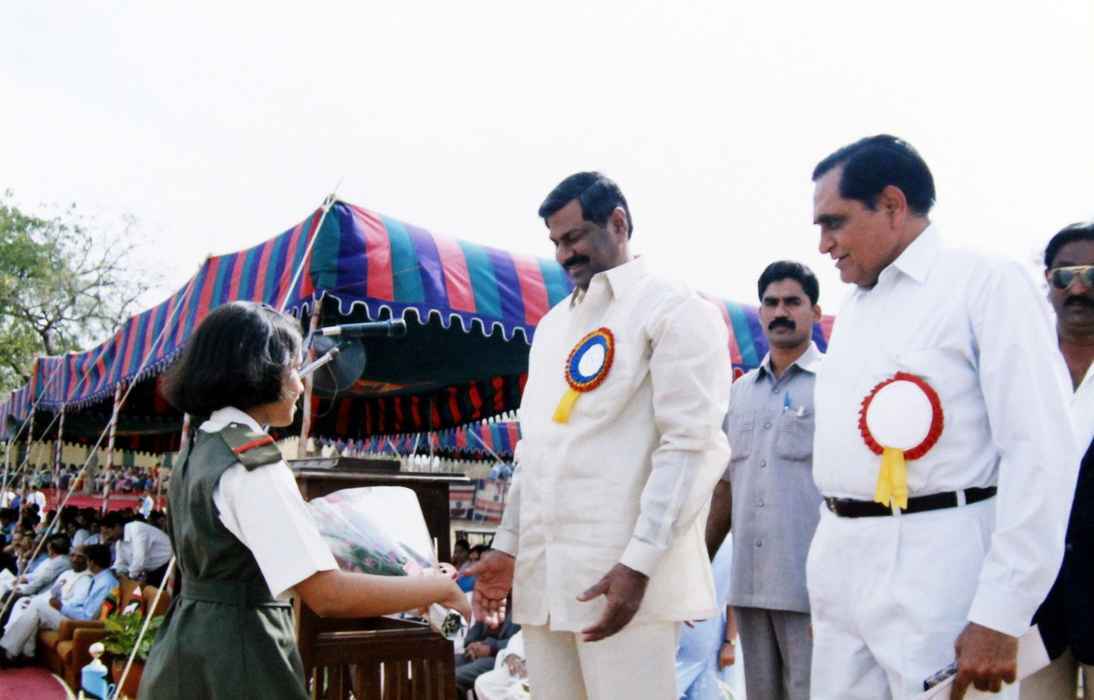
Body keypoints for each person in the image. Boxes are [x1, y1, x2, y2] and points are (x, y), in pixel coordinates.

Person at [806, 135, 1079, 699]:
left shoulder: (986, 283)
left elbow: (1040, 452)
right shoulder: (855, 309)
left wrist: (1001, 612)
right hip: (842, 567)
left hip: (940, 569)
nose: (824, 244)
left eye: (835, 222)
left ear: (892, 204)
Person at [469, 173, 731, 699]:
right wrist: (506, 548)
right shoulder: (552, 328)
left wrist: (640, 564)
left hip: (621, 581)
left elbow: (689, 448)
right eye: (555, 242)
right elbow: (534, 453)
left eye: (574, 237)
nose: (564, 255)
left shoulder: (675, 308)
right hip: (544, 581)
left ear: (618, 223)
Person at [139, 301, 469, 700]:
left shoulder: (202, 446)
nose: (300, 385)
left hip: (187, 647)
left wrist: (409, 581)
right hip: (242, 656)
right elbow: (327, 595)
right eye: (293, 369)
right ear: (258, 373)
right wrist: (436, 589)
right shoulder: (254, 461)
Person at [705, 260, 823, 699]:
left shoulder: (834, 385)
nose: (780, 312)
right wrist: (700, 565)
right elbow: (725, 488)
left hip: (810, 588)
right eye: (771, 303)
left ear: (815, 311)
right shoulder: (739, 393)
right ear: (760, 313)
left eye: (793, 302)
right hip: (749, 587)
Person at [1023, 222, 1094, 699]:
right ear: (1047, 282)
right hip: (1031, 605)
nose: (1079, 289)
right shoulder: (1020, 363)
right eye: (1065, 275)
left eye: (1092, 275)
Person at [675, 535, 744, 700]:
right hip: (677, 637)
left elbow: (734, 596)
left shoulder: (731, 543)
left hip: (711, 642)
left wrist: (730, 642)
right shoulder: (683, 536)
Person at [0, 544, 92, 663]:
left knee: (35, 606)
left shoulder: (86, 579)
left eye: (80, 557)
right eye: (73, 555)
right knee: (23, 602)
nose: (75, 559)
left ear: (87, 559)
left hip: (64, 615)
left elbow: (74, 604)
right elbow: (50, 593)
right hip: (51, 606)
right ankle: (26, 652)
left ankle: (9, 652)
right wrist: (33, 599)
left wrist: (47, 603)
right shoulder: (66, 573)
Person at [455, 600, 521, 698]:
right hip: (471, 650)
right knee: (444, 668)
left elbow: (521, 639)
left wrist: (490, 647)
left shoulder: (521, 604)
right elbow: (476, 627)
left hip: (500, 655)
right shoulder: (490, 599)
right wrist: (472, 645)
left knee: (453, 675)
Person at [100, 511, 172, 585]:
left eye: (107, 533)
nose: (107, 537)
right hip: (153, 571)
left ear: (117, 527)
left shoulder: (136, 529)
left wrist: (129, 577)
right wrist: (112, 572)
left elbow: (139, 560)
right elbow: (120, 564)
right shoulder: (119, 543)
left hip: (168, 565)